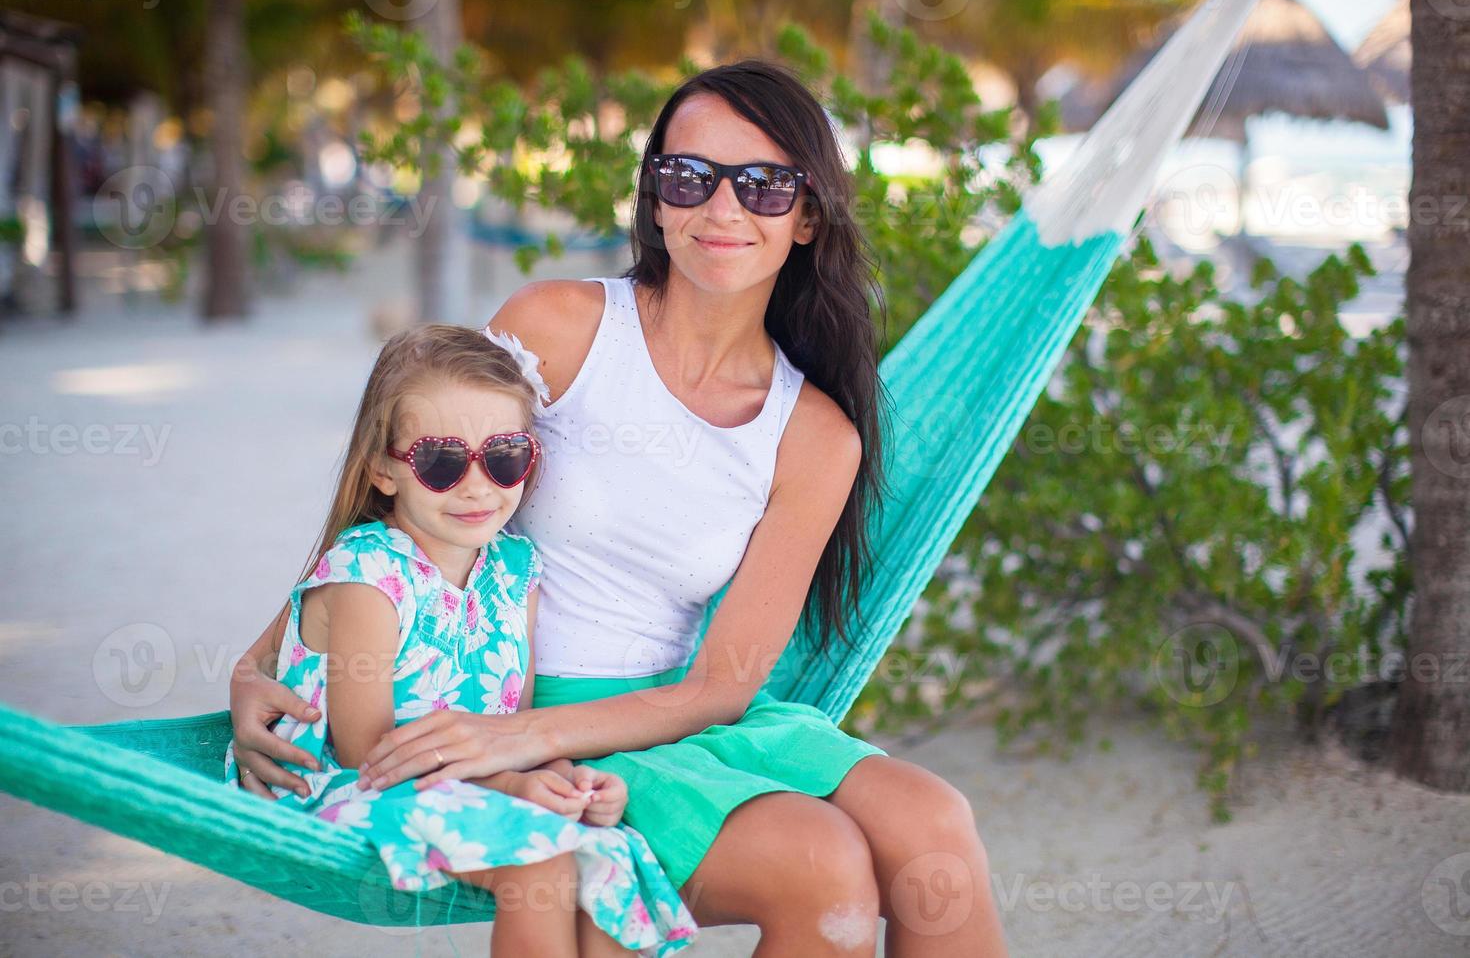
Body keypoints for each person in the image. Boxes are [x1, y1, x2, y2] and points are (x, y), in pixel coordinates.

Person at [233, 59, 1009, 956]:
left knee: (935, 826)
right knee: (821, 863)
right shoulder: (561, 328)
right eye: (690, 177)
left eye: (764, 185)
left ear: (806, 215)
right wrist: (258, 667)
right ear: (655, 199)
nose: (723, 210)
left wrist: (514, 738)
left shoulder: (817, 436)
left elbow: (723, 685)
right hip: (511, 703)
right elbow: (413, 493)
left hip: (671, 715)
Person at [223, 323, 698, 957]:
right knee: (542, 865)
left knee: (606, 855)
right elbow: (368, 750)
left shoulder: (515, 570)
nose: (478, 485)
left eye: (504, 457)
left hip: (472, 783)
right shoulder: (368, 574)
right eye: (442, 462)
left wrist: (567, 782)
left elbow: (515, 724)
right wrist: (510, 789)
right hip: (355, 789)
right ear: (384, 473)